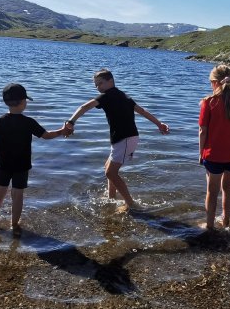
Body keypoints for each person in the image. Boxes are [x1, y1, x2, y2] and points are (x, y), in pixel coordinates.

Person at [64, 69, 169, 213]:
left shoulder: (106, 96)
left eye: (100, 83)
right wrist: (159, 124)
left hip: (126, 138)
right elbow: (142, 111)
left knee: (111, 173)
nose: (98, 87)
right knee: (108, 167)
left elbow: (84, 107)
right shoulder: (123, 95)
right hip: (124, 138)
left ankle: (131, 204)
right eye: (96, 85)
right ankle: (111, 197)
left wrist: (71, 122)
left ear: (110, 81)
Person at [0, 83, 70, 234]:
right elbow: (46, 135)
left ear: (6, 102)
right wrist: (62, 131)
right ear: (23, 102)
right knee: (17, 196)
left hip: (3, 165)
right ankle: (14, 225)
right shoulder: (28, 122)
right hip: (21, 166)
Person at [198, 64, 230, 230]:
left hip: (214, 154)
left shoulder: (209, 102)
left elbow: (202, 131)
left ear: (214, 82)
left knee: (212, 191)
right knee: (228, 188)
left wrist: (201, 153)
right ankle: (226, 222)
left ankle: (210, 225)